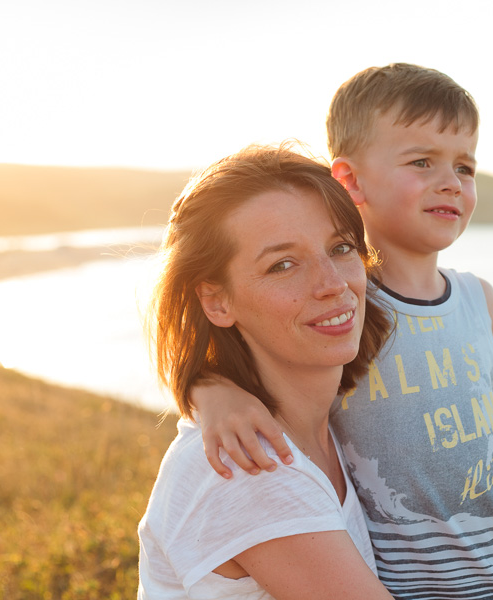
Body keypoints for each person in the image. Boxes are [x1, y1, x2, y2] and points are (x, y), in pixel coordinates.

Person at [192, 64, 493, 600]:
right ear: (349, 180)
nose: (451, 182)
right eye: (422, 161)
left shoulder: (476, 298)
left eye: (465, 166)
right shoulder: (341, 307)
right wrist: (212, 393)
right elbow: (241, 364)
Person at [137, 145, 398, 599]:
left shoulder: (332, 425)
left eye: (340, 248)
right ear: (216, 301)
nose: (333, 283)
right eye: (282, 265)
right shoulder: (244, 463)